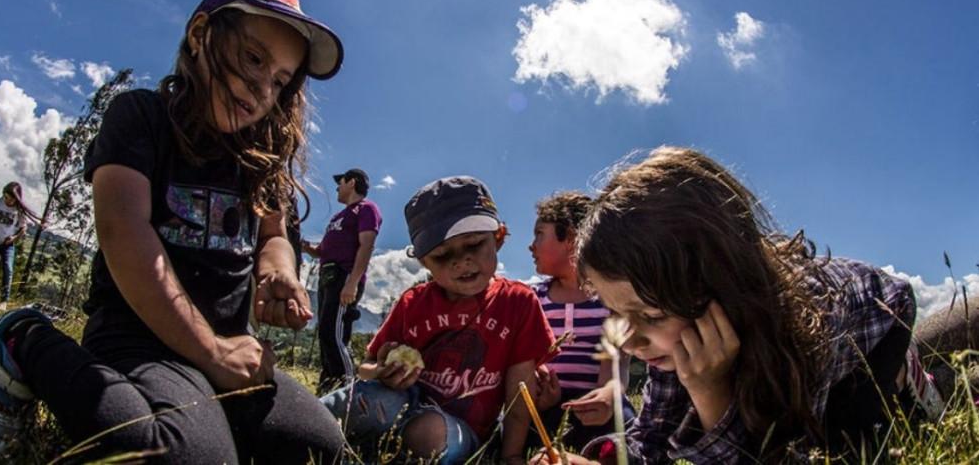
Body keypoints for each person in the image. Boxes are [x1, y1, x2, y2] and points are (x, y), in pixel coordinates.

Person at [0, 0, 346, 463]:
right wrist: (209, 353)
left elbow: (273, 235)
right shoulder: (140, 116)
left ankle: (202, 409)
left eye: (281, 80)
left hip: (225, 348)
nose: (264, 87)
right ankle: (21, 337)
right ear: (201, 34)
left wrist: (277, 272)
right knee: (184, 455)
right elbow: (123, 231)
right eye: (253, 58)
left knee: (320, 451)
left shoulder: (259, 158)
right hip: (139, 337)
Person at [532, 146, 944, 464]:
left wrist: (710, 393)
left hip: (875, 323)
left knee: (848, 446)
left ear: (720, 286)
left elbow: (779, 456)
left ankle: (913, 384)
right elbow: (649, 442)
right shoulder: (671, 335)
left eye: (650, 315)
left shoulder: (807, 329)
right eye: (616, 313)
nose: (630, 340)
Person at [321, 176, 556, 464]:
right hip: (398, 407)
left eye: (473, 244)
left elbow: (519, 393)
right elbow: (366, 369)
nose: (461, 262)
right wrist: (382, 370)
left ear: (498, 236)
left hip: (459, 431)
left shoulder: (517, 303)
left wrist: (512, 455)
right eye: (442, 256)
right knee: (359, 400)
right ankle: (303, 427)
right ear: (423, 262)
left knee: (431, 431)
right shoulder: (412, 303)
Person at [528, 191, 632, 451]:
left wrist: (609, 394)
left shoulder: (610, 298)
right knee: (522, 432)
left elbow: (614, 366)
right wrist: (539, 390)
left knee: (625, 434)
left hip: (599, 402)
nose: (531, 245)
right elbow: (526, 360)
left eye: (540, 234)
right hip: (547, 404)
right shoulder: (532, 298)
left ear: (571, 238)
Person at [303, 168, 381, 392]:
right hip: (327, 275)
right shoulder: (338, 217)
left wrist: (352, 283)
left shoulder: (366, 209)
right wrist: (308, 248)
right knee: (327, 332)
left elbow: (366, 245)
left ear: (352, 183)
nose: (337, 187)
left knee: (332, 333)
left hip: (344, 276)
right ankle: (328, 388)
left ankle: (347, 390)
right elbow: (324, 250)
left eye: (341, 182)